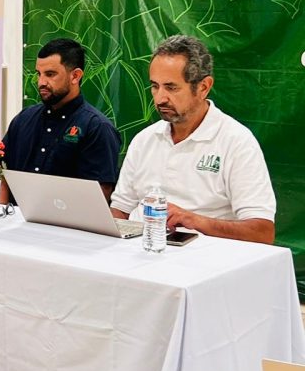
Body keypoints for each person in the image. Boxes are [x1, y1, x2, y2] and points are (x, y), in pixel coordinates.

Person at [110, 35, 276, 244]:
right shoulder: (144, 140)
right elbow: (121, 210)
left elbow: (262, 232)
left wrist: (192, 220)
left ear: (204, 87)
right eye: (154, 86)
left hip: (205, 262)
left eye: (171, 87)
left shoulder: (236, 141)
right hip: (139, 252)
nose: (160, 98)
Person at [0, 38, 121, 205]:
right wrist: (0, 212)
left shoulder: (97, 127)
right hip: (15, 221)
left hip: (66, 227)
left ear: (75, 76)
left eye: (50, 74)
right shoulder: (24, 119)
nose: (41, 82)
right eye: (38, 74)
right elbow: (1, 170)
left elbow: (99, 196)